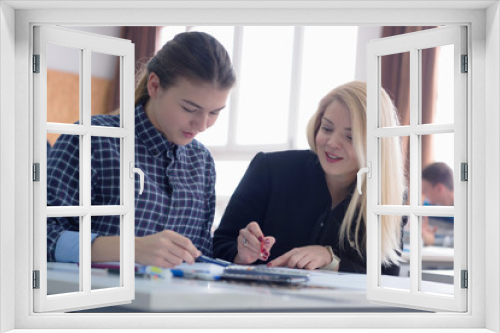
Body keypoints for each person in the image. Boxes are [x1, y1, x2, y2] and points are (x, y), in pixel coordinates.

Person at [47, 31, 236, 268]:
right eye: (189, 108)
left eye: (215, 112)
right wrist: (129, 248)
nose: (202, 125)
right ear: (155, 86)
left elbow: (199, 257)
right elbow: (37, 236)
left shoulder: (202, 162)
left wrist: (240, 255)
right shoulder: (92, 139)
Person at [213, 81, 406, 275]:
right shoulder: (270, 170)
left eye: (350, 137)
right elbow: (219, 246)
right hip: (260, 301)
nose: (331, 143)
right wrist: (241, 255)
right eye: (327, 129)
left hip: (340, 306)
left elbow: (387, 277)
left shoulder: (388, 196)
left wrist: (332, 260)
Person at [421, 162, 454, 246]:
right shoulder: (426, 209)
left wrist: (432, 241)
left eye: (425, 189)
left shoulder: (465, 211)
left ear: (439, 188)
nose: (422, 193)